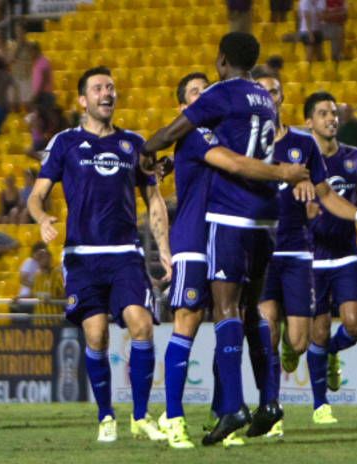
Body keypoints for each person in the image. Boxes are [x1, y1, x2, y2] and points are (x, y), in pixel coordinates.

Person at [142, 33, 291, 444]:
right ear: (184, 105)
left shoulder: (216, 126)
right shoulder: (199, 131)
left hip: (228, 225)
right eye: (192, 93)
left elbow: (231, 159)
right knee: (191, 323)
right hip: (197, 235)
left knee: (236, 314)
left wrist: (152, 154)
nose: (201, 94)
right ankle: (176, 417)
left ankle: (228, 410)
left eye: (202, 89)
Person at [27, 66, 171, 443]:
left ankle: (140, 416)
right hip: (81, 254)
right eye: (97, 88)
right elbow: (35, 196)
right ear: (82, 100)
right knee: (96, 337)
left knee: (140, 325)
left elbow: (153, 199)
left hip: (125, 252)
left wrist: (165, 250)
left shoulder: (135, 144)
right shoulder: (64, 143)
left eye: (110, 87)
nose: (106, 93)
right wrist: (42, 218)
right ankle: (106, 415)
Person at [257, 85, 357, 434]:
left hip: (343, 253)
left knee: (354, 325)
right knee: (298, 332)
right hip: (306, 254)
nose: (332, 119)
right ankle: (313, 406)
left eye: (334, 113)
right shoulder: (277, 148)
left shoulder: (351, 156)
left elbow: (339, 194)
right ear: (309, 122)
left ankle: (329, 353)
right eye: (324, 114)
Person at [30, 248, 64, 326]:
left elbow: (65, 295)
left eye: (45, 257)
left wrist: (53, 299)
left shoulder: (56, 276)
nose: (43, 260)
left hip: (53, 322)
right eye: (40, 258)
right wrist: (19, 298)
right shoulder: (36, 277)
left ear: (50, 259)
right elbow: (33, 295)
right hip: (38, 322)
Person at [8, 20, 35, 107]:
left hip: (26, 78)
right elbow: (10, 59)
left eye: (20, 31)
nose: (18, 33)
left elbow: (32, 62)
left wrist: (19, 62)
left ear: (24, 31)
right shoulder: (13, 45)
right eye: (17, 31)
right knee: (14, 105)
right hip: (15, 77)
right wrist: (18, 45)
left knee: (28, 105)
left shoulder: (30, 45)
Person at [30, 43, 54, 108]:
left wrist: (37, 94)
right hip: (39, 94)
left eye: (31, 51)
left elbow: (45, 79)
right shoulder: (36, 62)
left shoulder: (43, 61)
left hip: (44, 95)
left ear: (37, 50)